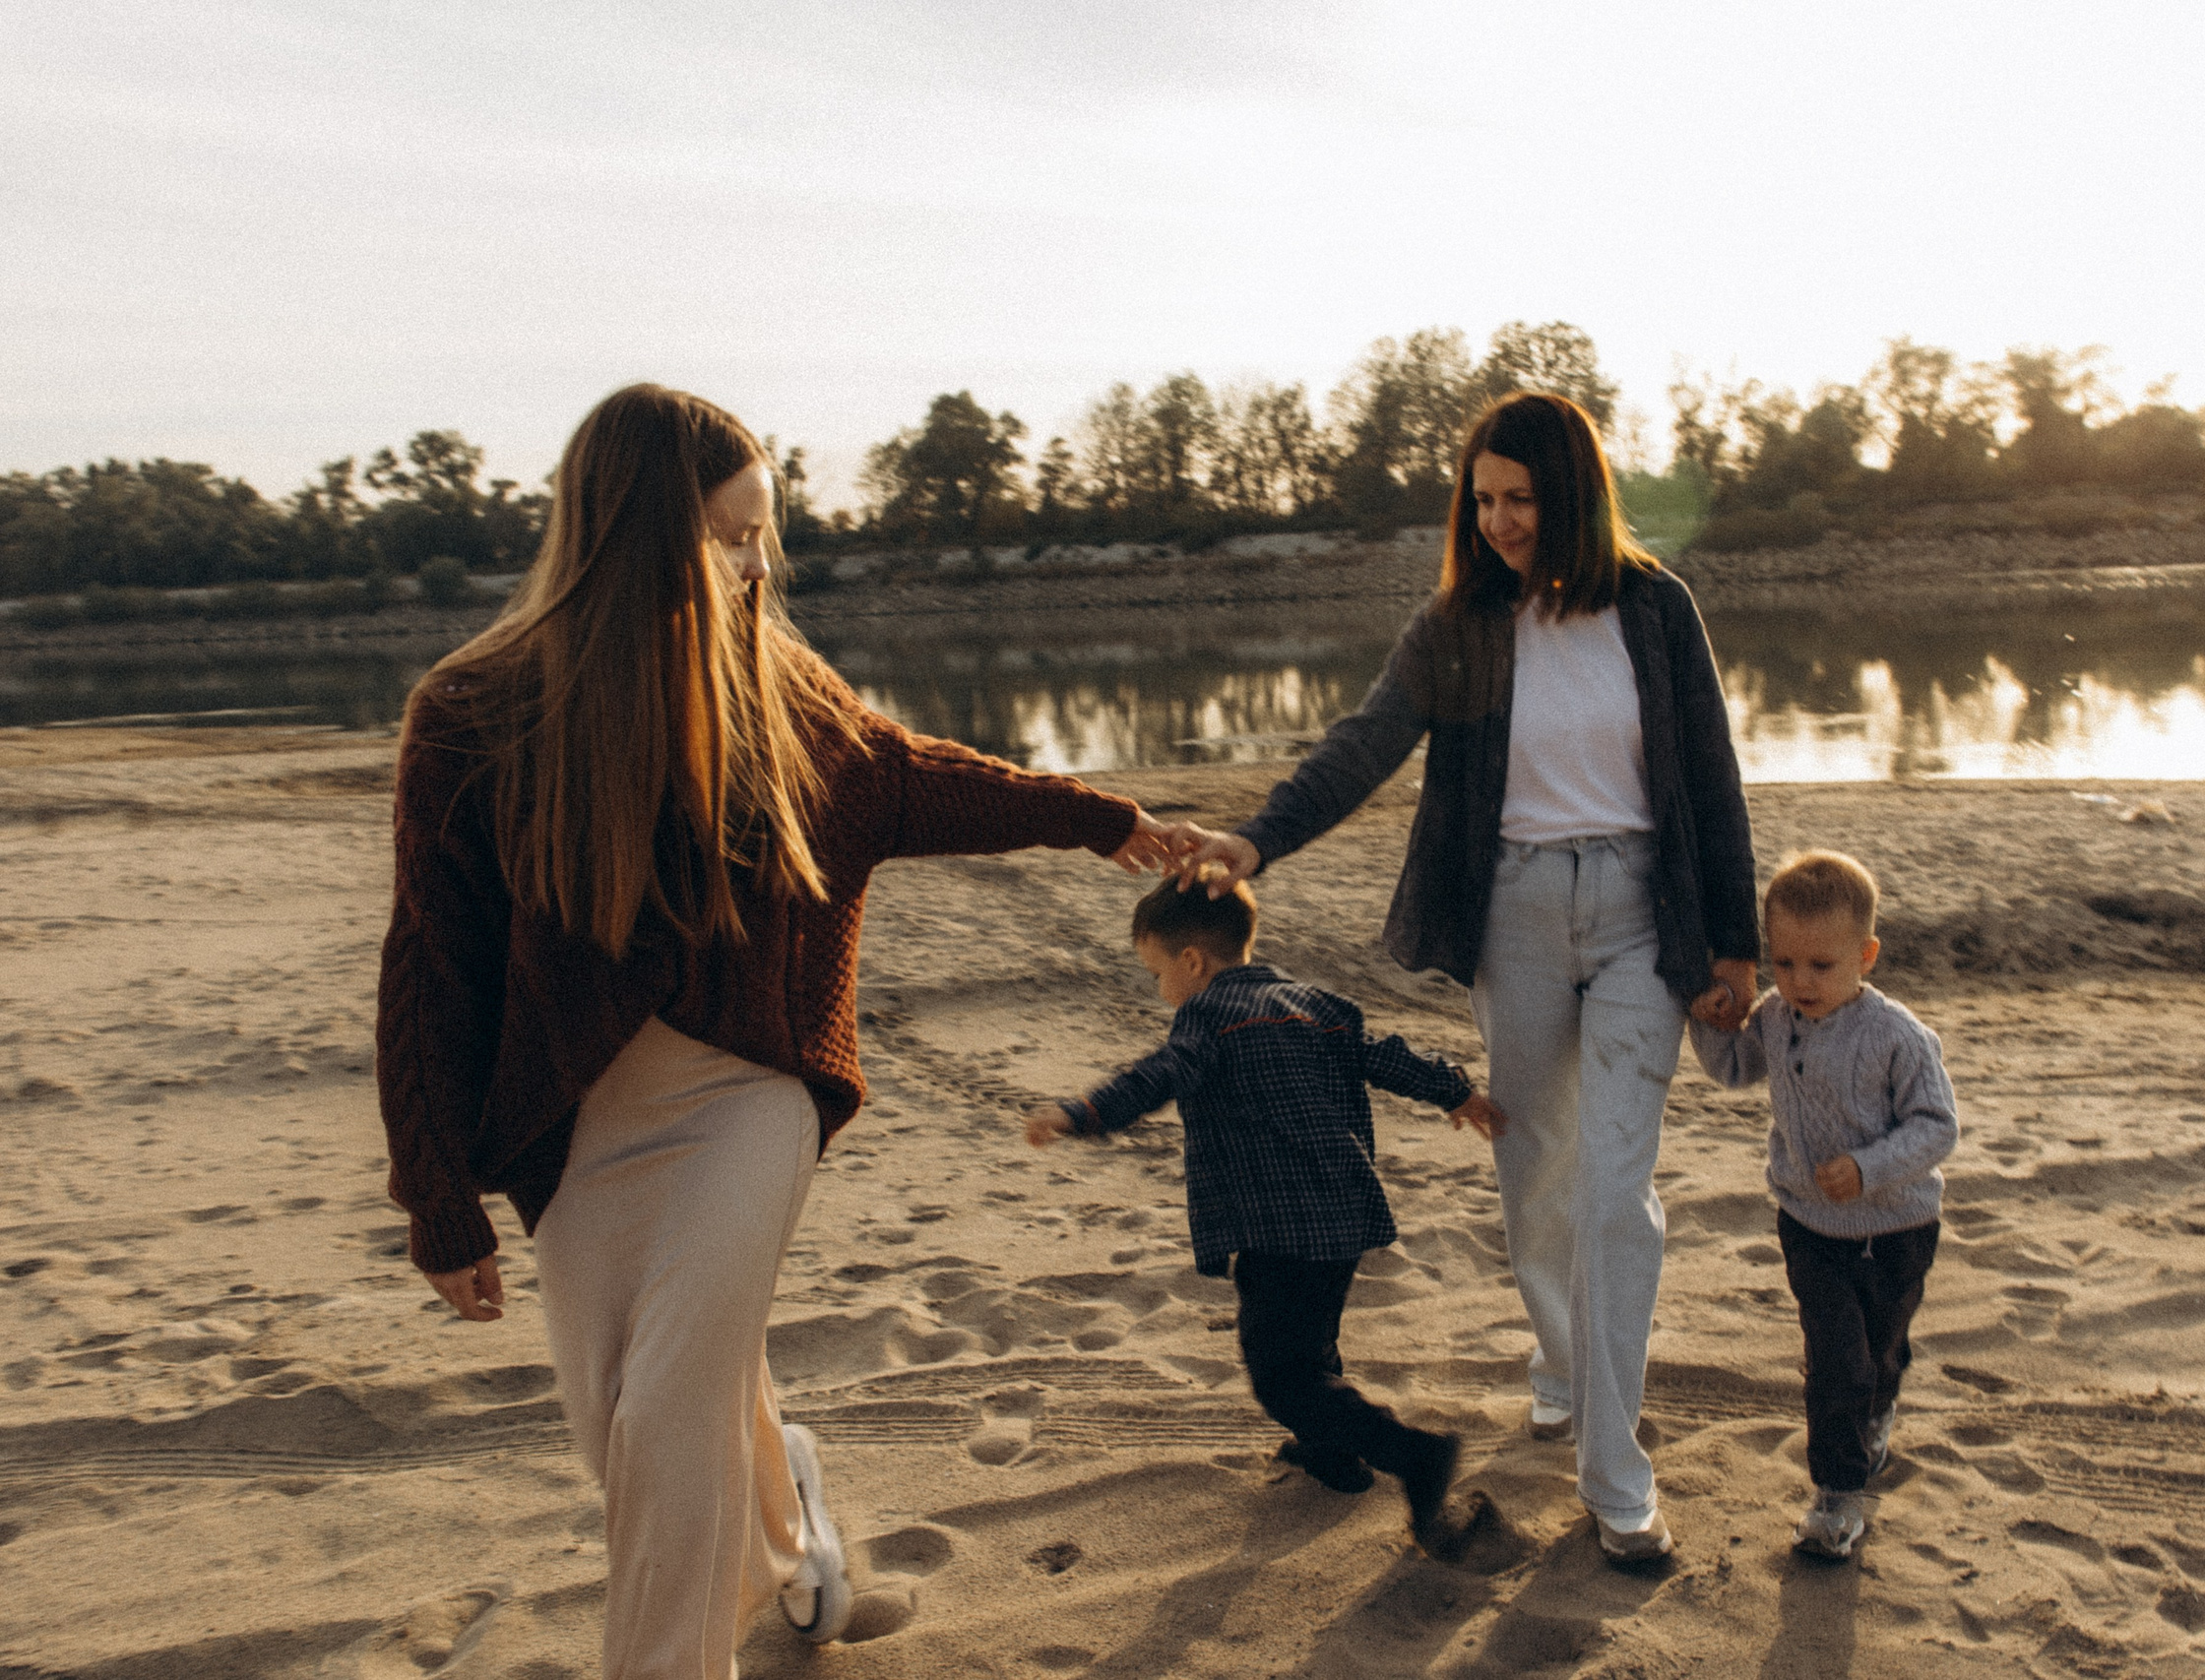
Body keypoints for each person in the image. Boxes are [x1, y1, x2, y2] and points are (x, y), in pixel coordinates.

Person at [375, 383, 1177, 1680]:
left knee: (665, 1416)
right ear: (641, 534)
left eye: (765, 535)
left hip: (749, 1094)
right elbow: (429, 968)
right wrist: (437, 1199)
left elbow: (909, 779)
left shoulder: (775, 688)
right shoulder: (472, 715)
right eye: (733, 535)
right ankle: (792, 1533)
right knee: (623, 1426)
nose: (759, 565)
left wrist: (1095, 815)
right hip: (580, 1120)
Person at [1169, 392, 1760, 1562]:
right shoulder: (1460, 624)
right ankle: (1558, 1356)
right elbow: (1366, 740)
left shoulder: (1655, 610)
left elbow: (1711, 773)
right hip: (1520, 914)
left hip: (1646, 911)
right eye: (1482, 499)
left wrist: (1731, 943)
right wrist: (1257, 838)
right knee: (1535, 1170)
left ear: (1574, 493)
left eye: (1520, 497)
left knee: (1612, 1189)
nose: (1497, 520)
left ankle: (1613, 1471)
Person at [1024, 877, 1507, 1555]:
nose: (1161, 989)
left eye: (1158, 972)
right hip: (1341, 1212)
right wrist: (1455, 1090)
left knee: (1282, 1375)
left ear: (1193, 961)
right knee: (1313, 1343)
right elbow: (1385, 1057)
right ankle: (1335, 1456)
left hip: (1273, 1222)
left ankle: (1415, 1454)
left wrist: (1082, 1111)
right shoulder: (1319, 1003)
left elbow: (1160, 1073)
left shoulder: (1205, 1017)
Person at [1686, 850, 1958, 1559]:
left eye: (1822, 966)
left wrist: (1869, 1168)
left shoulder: (1897, 1035)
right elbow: (1734, 1068)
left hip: (1898, 1227)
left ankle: (1878, 1409)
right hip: (1809, 1225)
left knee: (1881, 1352)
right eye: (1784, 964)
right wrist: (1708, 1019)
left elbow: (1938, 1127)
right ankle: (1837, 1495)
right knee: (1836, 1359)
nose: (1799, 982)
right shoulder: (1776, 1020)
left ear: (1865, 956)